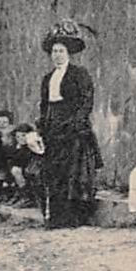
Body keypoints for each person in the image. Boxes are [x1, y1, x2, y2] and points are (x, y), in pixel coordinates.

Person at [37, 20, 103, 228]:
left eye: (61, 51)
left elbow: (86, 100)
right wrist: (42, 127)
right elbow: (45, 105)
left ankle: (73, 218)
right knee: (53, 172)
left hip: (73, 129)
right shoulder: (48, 78)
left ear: (68, 53)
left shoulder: (78, 74)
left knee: (72, 173)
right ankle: (55, 217)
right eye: (54, 51)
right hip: (53, 128)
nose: (57, 55)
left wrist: (76, 122)